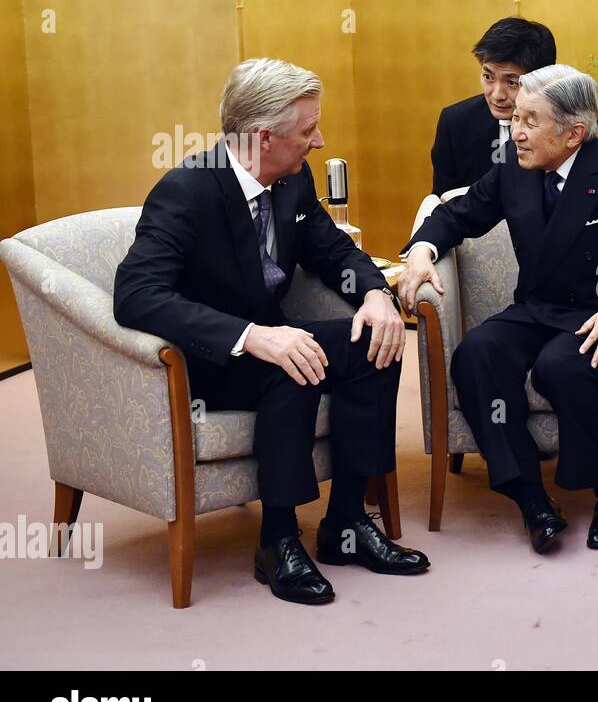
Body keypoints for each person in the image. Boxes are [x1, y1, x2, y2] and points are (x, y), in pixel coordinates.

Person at [114, 58, 429, 606]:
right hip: (206, 360)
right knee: (293, 363)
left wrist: (376, 295)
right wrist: (251, 336)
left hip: (269, 338)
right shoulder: (188, 190)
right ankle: (278, 539)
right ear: (263, 136)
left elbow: (333, 251)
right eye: (308, 131)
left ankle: (347, 523)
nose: (319, 141)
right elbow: (136, 294)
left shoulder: (289, 180)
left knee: (375, 344)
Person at [398, 64, 598, 554]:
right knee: (476, 355)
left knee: (560, 365)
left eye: (530, 121)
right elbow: (456, 214)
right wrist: (421, 251)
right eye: (515, 118)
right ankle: (530, 496)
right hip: (538, 309)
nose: (516, 132)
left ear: (574, 133)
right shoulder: (512, 167)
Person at [430, 17, 557, 195]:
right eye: (488, 77)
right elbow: (443, 201)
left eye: (512, 82)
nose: (497, 95)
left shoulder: (570, 127)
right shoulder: (455, 123)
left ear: (543, 79)